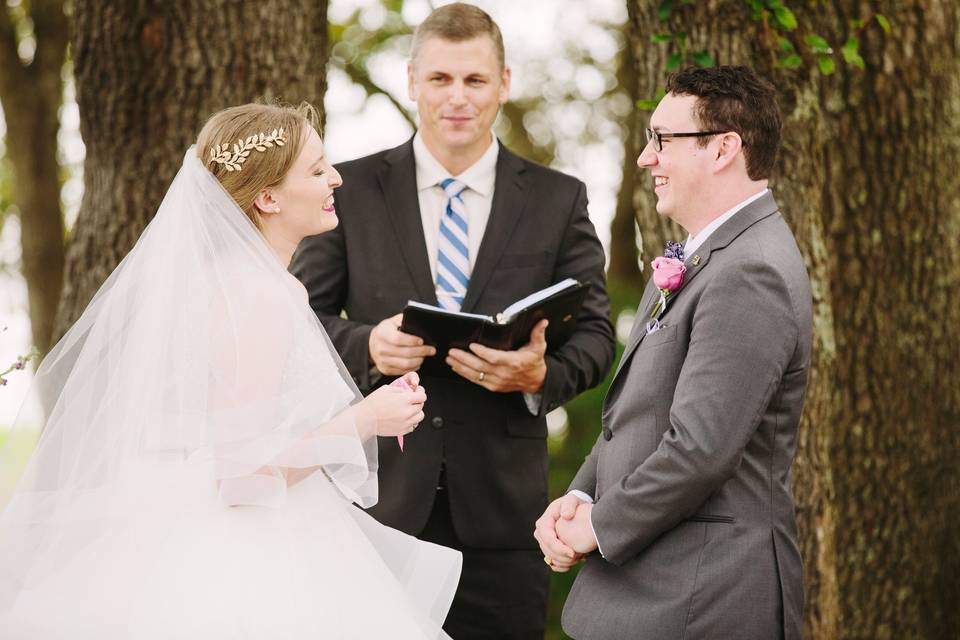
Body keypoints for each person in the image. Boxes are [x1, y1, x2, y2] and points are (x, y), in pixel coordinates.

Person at [0, 102, 462, 639]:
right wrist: (365, 418)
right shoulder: (260, 294)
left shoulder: (236, 282)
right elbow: (242, 475)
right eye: (315, 170)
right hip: (251, 550)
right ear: (267, 197)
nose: (336, 177)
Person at [290, 4, 614, 638]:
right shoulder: (349, 189)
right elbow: (298, 324)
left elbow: (598, 336)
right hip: (376, 507)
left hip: (504, 518)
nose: (457, 98)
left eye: (475, 80)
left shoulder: (558, 198)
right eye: (440, 79)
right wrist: (368, 346)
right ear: (412, 81)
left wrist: (537, 375)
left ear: (504, 83)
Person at [535, 65, 812, 640]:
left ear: (723, 149)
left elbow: (701, 449)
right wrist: (579, 495)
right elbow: (638, 413)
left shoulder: (750, 269)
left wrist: (597, 526)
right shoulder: (704, 255)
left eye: (662, 139)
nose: (645, 157)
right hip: (655, 591)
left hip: (701, 598)